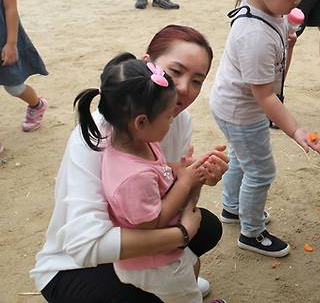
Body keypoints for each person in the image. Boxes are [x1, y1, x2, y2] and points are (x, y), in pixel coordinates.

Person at [31, 25, 229, 302]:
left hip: (141, 229)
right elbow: (85, 245)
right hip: (73, 265)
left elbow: (173, 196)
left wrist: (196, 178)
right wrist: (182, 234)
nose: (184, 88)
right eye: (175, 72)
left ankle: (171, 277)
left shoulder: (177, 121)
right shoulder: (97, 136)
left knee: (207, 226)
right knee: (190, 239)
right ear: (147, 65)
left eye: (197, 80)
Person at [210, 0, 320, 257]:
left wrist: (288, 40)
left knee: (241, 157)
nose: (299, 0)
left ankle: (232, 207)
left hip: (231, 103)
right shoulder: (254, 35)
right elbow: (267, 97)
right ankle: (251, 231)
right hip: (242, 112)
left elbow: (275, 76)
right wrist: (297, 131)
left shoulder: (266, 7)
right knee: (261, 170)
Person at [74, 54, 205, 302]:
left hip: (161, 254)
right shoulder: (132, 177)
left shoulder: (138, 143)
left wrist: (180, 168)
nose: (172, 120)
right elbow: (152, 222)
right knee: (185, 295)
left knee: (192, 265)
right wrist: (186, 182)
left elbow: (160, 166)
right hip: (154, 262)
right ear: (141, 122)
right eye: (168, 116)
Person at [0, 0, 48, 156]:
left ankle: (36, 104)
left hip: (2, 37)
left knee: (14, 86)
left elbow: (11, 8)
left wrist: (11, 43)